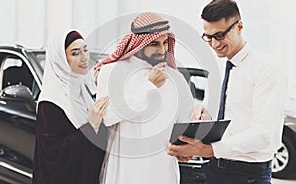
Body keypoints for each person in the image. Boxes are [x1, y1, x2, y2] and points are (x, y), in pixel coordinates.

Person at [167, 0, 287, 184]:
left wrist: (209, 150)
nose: (214, 44)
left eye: (220, 36)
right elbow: (215, 117)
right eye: (208, 37)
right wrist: (196, 128)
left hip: (248, 175)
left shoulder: (267, 68)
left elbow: (265, 134)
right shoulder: (219, 69)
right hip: (212, 170)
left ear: (239, 27)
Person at [95, 12, 196, 184]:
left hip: (163, 171)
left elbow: (186, 122)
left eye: (165, 42)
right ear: (138, 44)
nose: (163, 49)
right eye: (154, 43)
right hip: (125, 170)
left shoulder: (175, 77)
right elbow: (108, 116)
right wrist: (149, 86)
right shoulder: (112, 72)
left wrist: (186, 149)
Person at [32, 30, 108, 184]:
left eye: (85, 50)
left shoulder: (82, 92)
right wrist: (90, 126)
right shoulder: (50, 103)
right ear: (60, 59)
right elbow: (53, 156)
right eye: (75, 53)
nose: (85, 57)